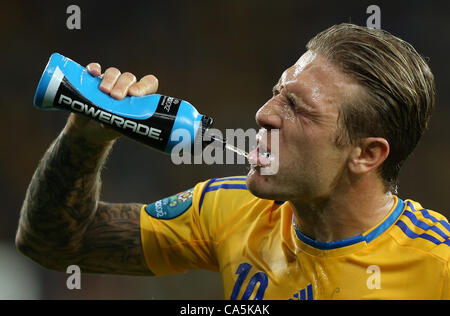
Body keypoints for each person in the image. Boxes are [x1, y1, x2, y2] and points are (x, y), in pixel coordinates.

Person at [16, 23, 449, 299]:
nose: (263, 114)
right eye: (278, 91)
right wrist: (85, 137)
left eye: (297, 108)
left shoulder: (438, 267)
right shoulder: (232, 209)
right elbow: (53, 243)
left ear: (367, 153)